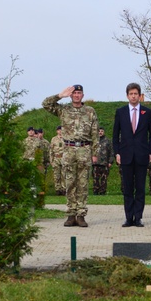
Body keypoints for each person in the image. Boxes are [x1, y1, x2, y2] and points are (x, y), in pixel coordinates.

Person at [43, 84, 99, 227]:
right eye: (74, 93)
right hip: (68, 149)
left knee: (82, 184)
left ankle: (80, 215)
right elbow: (46, 104)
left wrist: (95, 152)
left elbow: (95, 133)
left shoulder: (90, 111)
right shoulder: (64, 110)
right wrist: (60, 95)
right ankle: (70, 214)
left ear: (83, 95)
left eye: (79, 93)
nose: (76, 95)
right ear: (70, 95)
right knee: (69, 183)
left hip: (84, 150)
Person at [113, 82, 151, 226]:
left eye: (135, 94)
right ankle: (128, 217)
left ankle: (138, 217)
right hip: (125, 155)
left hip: (142, 155)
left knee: (140, 188)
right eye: (131, 94)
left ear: (140, 96)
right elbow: (115, 135)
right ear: (127, 96)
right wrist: (117, 152)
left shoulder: (147, 112)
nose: (133, 96)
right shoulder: (120, 112)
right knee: (127, 188)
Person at [92, 127, 113, 195]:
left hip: (105, 163)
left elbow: (111, 152)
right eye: (99, 131)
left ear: (104, 132)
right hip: (96, 163)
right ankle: (95, 191)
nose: (100, 132)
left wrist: (110, 161)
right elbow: (90, 151)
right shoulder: (94, 141)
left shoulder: (107, 141)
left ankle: (102, 191)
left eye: (102, 131)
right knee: (95, 178)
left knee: (104, 179)